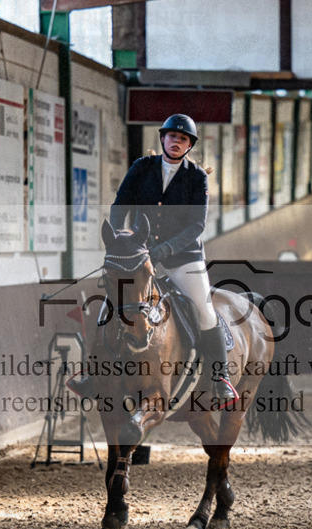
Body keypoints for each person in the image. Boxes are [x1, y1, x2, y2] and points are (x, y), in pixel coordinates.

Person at [70, 114, 236, 405]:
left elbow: (197, 225)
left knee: (203, 308)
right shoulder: (141, 167)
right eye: (172, 136)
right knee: (113, 303)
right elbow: (121, 204)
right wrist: (122, 238)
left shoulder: (196, 177)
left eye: (182, 139)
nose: (176, 142)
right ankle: (94, 374)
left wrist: (164, 250)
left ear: (189, 145)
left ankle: (220, 376)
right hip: (138, 252)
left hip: (184, 257)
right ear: (163, 139)